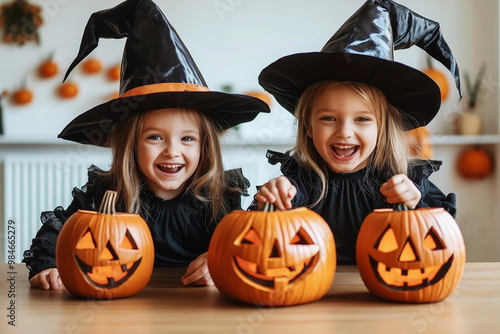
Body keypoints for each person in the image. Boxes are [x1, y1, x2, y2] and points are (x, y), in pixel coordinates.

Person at [23, 0, 270, 290]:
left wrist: (224, 259)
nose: (172, 151)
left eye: (187, 138)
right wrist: (48, 265)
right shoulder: (108, 194)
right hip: (122, 305)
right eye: (155, 137)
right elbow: (57, 231)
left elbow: (252, 243)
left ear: (205, 147)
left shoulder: (219, 196)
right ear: (131, 145)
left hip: (199, 307)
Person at [251, 0, 461, 264]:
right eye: (328, 118)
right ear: (308, 126)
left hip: (388, 293)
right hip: (312, 295)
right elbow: (256, 235)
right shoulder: (302, 183)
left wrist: (414, 206)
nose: (344, 132)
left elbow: (443, 240)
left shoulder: (405, 182)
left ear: (382, 128)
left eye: (362, 119)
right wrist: (272, 200)